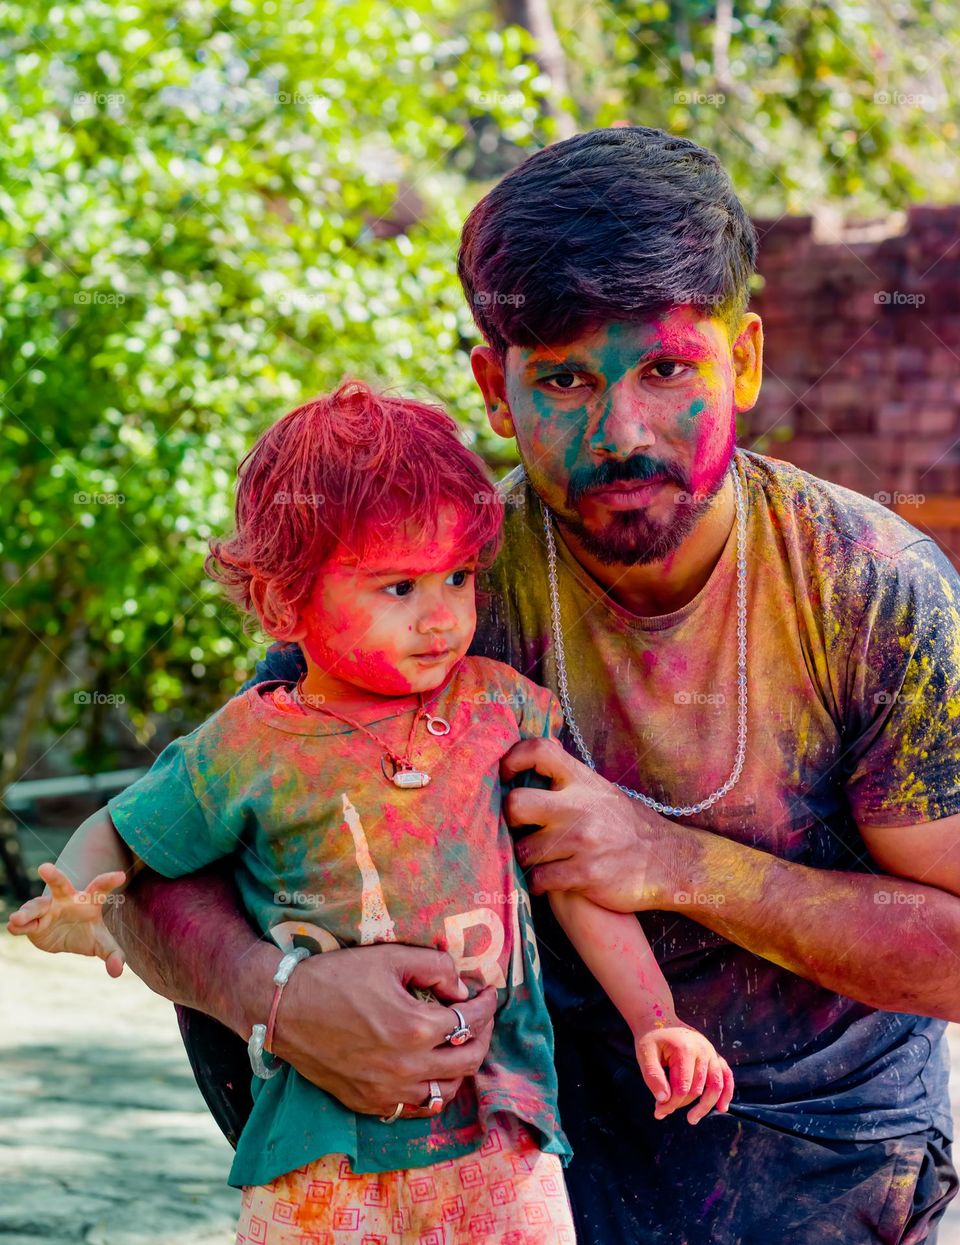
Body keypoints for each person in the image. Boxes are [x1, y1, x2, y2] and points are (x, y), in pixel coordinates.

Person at [30, 126, 960, 1242]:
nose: (622, 432)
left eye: (669, 369)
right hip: (502, 1118)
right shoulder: (422, 577)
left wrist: (672, 864)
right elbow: (176, 845)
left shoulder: (869, 590)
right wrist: (280, 999)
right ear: (492, 386)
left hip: (818, 1140)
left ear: (746, 362)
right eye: (564, 379)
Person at [9, 380, 734, 1244]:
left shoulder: (499, 712)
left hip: (499, 1132)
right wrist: (80, 900)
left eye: (458, 577)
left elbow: (575, 876)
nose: (442, 617)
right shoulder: (253, 743)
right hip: (322, 1147)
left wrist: (658, 1018)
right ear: (286, 600)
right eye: (398, 587)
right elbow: (126, 830)